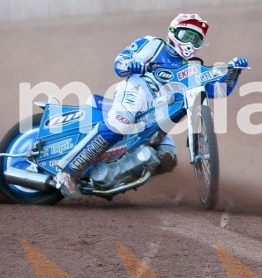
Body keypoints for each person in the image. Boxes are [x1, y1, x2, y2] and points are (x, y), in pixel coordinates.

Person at [54, 14, 249, 200]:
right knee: (121, 123)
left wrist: (234, 73)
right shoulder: (153, 44)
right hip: (137, 90)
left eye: (196, 40)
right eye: (187, 36)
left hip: (157, 111)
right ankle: (67, 171)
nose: (190, 43)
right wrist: (132, 64)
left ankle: (108, 179)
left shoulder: (190, 70)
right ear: (173, 31)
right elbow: (120, 63)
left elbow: (218, 91)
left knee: (167, 157)